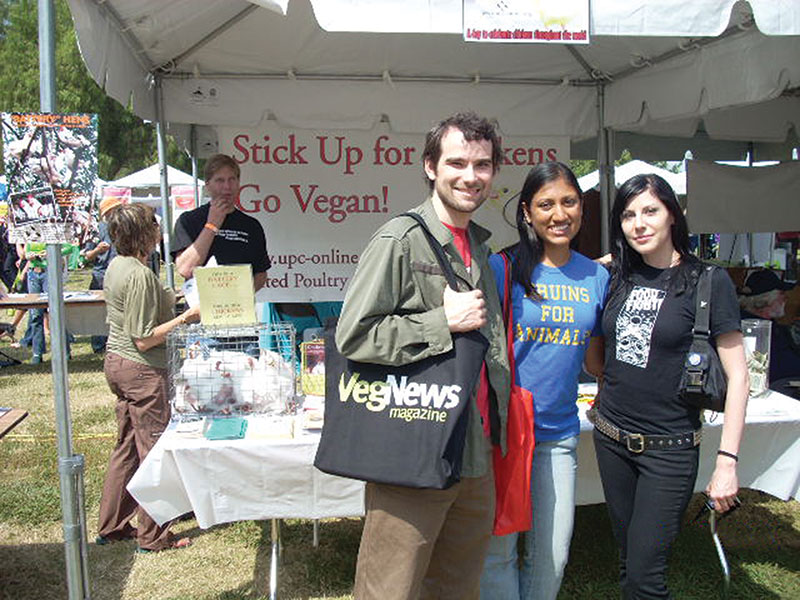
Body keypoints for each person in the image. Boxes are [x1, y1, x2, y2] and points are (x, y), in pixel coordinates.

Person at [335, 112, 511, 600]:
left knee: (458, 587)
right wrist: (440, 321)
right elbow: (354, 336)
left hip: (473, 451)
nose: (470, 176)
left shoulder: (480, 247)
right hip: (414, 445)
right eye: (457, 162)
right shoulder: (399, 239)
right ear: (431, 166)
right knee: (389, 588)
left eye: (482, 165)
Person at [591, 174, 748, 599]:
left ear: (672, 216)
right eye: (627, 215)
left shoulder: (707, 281)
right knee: (629, 560)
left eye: (649, 211)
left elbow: (739, 375)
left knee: (646, 576)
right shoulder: (615, 275)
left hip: (669, 451)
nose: (638, 223)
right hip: (610, 439)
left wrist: (727, 462)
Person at [480, 163, 609, 600]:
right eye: (546, 204)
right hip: (504, 434)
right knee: (498, 553)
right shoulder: (502, 268)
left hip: (558, 435)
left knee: (552, 556)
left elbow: (595, 359)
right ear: (526, 212)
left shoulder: (597, 276)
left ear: (581, 208)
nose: (559, 214)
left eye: (569, 202)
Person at [96, 202, 200, 552]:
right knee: (154, 452)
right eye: (155, 225)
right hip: (141, 368)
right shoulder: (138, 274)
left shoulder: (119, 265)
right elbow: (144, 336)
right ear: (144, 233)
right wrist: (187, 319)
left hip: (118, 363)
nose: (159, 230)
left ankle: (111, 524)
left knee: (126, 447)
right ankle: (153, 535)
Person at [172, 153, 270, 289]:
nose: (227, 186)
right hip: (199, 308)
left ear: (238, 183)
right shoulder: (189, 220)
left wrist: (242, 295)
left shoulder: (251, 226)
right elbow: (185, 269)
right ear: (208, 185)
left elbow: (261, 273)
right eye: (220, 180)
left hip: (238, 307)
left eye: (232, 179)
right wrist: (212, 225)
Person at [739, 268, 800, 388]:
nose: (785, 298)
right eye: (781, 294)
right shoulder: (750, 329)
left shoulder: (775, 327)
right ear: (765, 299)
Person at [82, 196, 121, 353]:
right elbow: (86, 256)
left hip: (119, 273)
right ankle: (99, 345)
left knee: (118, 309)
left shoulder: (123, 228)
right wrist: (97, 250)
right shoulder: (96, 229)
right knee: (99, 311)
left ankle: (115, 343)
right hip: (101, 275)